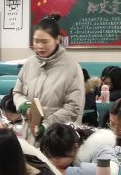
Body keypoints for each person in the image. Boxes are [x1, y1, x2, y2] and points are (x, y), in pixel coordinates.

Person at [12, 14, 85, 142]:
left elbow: (73, 108)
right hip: (29, 134)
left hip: (58, 138)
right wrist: (23, 104)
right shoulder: (30, 64)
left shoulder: (71, 67)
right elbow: (17, 92)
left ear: (57, 39)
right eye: (36, 41)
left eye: (45, 42)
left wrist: (47, 126)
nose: (39, 46)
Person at [39, 122, 119, 175]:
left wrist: (65, 172)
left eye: (57, 158)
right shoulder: (52, 145)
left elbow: (108, 174)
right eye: (48, 157)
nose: (52, 162)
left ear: (75, 147)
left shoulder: (101, 146)